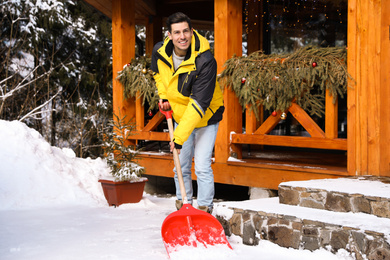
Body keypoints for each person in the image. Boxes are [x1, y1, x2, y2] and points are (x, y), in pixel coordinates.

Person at [151, 12, 224, 213]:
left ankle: (204, 210)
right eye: (177, 32)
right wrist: (164, 96)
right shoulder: (160, 51)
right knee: (180, 166)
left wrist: (180, 138)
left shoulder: (205, 60)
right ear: (169, 35)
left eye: (185, 31)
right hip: (179, 115)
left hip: (205, 116)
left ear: (192, 32)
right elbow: (158, 75)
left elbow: (199, 104)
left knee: (201, 166)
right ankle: (183, 206)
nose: (182, 36)